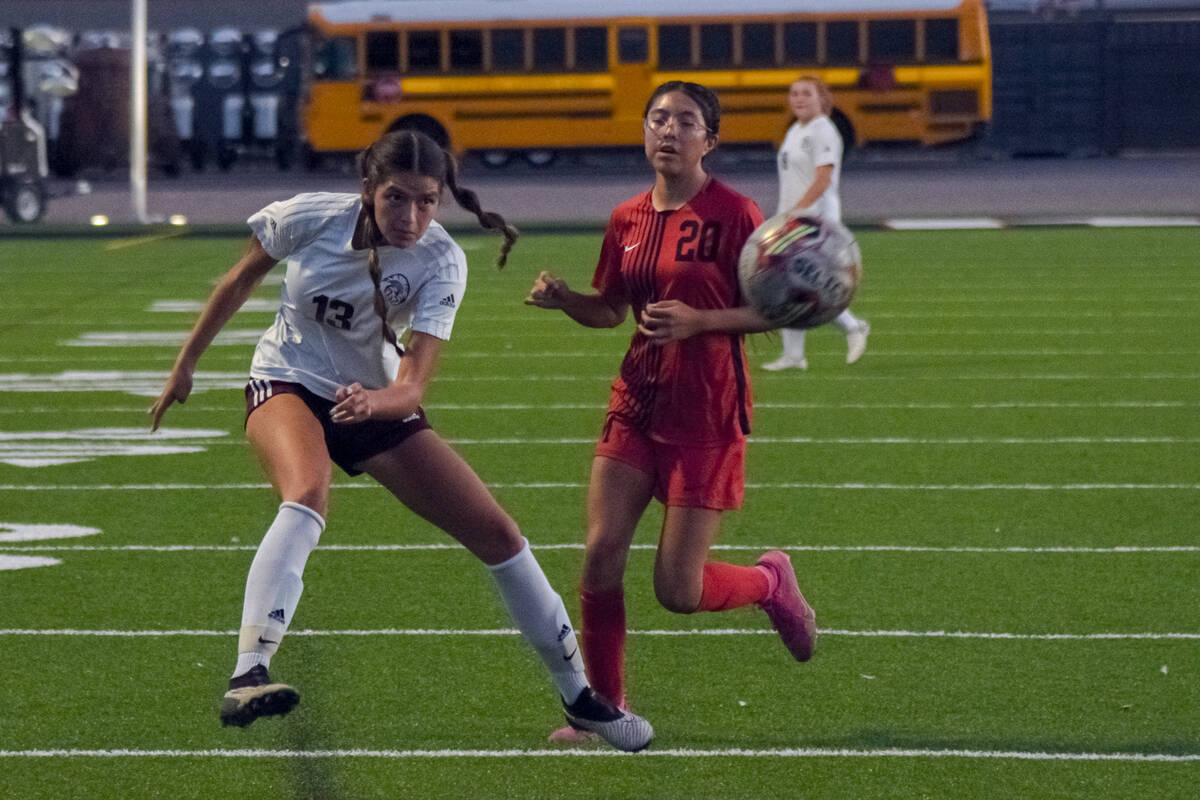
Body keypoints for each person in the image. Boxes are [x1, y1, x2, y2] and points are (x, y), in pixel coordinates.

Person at [148, 129, 652, 753]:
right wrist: (186, 364)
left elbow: (412, 387)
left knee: (498, 534)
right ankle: (249, 671)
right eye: (395, 199)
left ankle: (582, 698)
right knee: (307, 490)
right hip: (288, 379)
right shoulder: (309, 218)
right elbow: (238, 281)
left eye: (426, 201)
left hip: (375, 399)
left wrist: (371, 403)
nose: (410, 217)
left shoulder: (442, 260)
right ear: (367, 190)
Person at [525, 81, 817, 744]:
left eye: (686, 121)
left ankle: (771, 583)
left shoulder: (736, 214)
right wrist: (567, 298)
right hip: (636, 401)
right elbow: (610, 309)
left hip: (707, 413)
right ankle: (603, 708)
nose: (669, 130)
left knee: (677, 590)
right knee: (600, 554)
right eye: (658, 118)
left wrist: (699, 321)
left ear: (708, 140)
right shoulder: (626, 218)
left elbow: (778, 308)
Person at [762, 75, 870, 371]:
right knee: (787, 286)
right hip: (793, 218)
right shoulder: (796, 129)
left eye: (806, 93)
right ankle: (794, 356)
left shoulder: (824, 130)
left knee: (808, 286)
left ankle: (853, 327)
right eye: (794, 93)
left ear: (821, 98)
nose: (798, 99)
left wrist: (798, 212)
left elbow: (822, 180)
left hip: (816, 220)